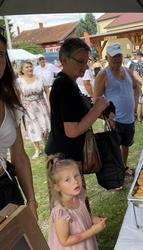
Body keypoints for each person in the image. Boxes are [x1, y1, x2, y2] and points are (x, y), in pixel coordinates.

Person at [45, 37, 109, 163]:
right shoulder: (65, 86)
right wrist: (97, 109)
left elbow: (77, 115)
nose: (85, 67)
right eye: (80, 61)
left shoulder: (68, 83)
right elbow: (72, 131)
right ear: (64, 60)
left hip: (65, 155)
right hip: (64, 160)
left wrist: (101, 110)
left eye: (86, 62)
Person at [0, 32, 37, 218]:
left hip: (6, 187)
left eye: (0, 54)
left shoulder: (9, 100)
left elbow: (19, 155)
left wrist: (31, 200)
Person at [94, 42, 139, 176]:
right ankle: (115, 174)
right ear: (107, 57)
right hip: (114, 121)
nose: (117, 59)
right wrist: (106, 117)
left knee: (125, 145)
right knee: (113, 149)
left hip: (129, 119)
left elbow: (136, 88)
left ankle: (123, 167)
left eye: (119, 56)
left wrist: (135, 105)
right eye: (113, 57)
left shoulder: (128, 71)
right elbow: (96, 99)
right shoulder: (103, 75)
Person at [47, 155, 107, 249]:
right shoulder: (61, 212)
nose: (75, 181)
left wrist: (93, 218)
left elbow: (82, 214)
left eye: (76, 175)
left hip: (85, 243)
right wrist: (92, 231)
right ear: (57, 187)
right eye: (67, 180)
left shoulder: (79, 196)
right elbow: (65, 241)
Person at [17, 61, 51, 159]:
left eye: (30, 66)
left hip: (42, 106)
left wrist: (49, 104)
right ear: (22, 70)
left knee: (45, 126)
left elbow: (47, 91)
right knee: (33, 128)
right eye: (26, 67)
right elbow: (18, 96)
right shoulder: (19, 81)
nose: (29, 68)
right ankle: (37, 149)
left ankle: (47, 147)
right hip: (28, 109)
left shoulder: (40, 78)